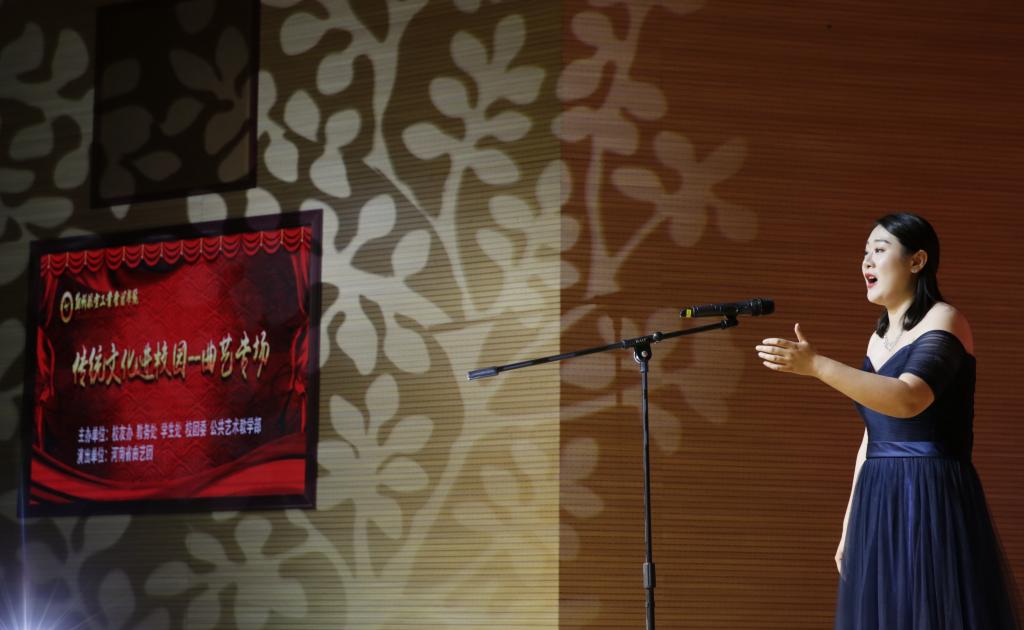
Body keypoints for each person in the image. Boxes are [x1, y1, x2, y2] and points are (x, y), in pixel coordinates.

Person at [755, 212, 1020, 629]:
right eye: (865, 253)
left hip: (928, 490)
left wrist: (818, 366)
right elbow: (872, 434)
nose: (867, 262)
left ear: (917, 261)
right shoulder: (878, 339)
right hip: (878, 492)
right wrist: (850, 521)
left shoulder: (946, 319)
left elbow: (908, 399)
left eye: (879, 250)